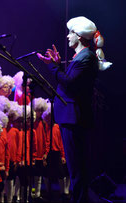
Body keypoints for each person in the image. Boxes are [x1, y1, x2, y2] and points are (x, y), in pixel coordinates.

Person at [37, 16, 112, 202]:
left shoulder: (86, 57)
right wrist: (57, 65)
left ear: (79, 36)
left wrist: (53, 67)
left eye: (71, 33)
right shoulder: (81, 57)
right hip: (71, 118)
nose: (67, 36)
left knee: (77, 167)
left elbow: (69, 83)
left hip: (75, 119)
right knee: (76, 167)